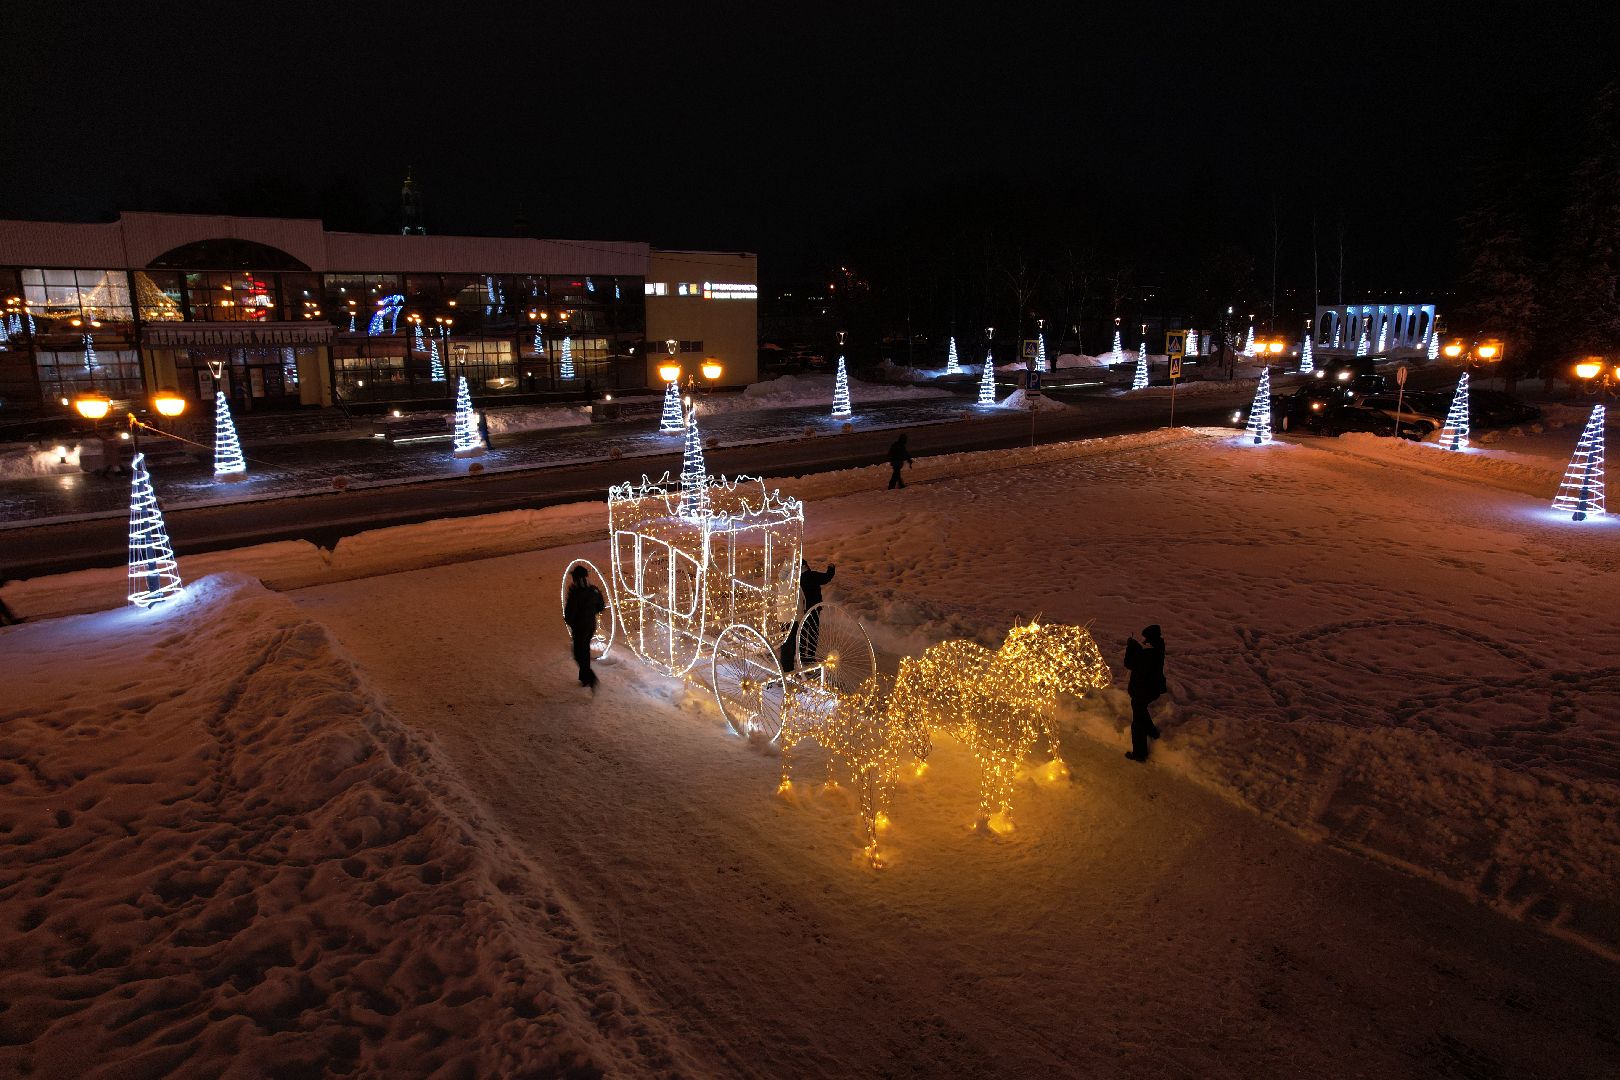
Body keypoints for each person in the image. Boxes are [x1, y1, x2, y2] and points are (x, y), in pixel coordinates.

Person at [1123, 624, 1167, 762]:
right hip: (1151, 689)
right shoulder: (1159, 648)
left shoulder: (1148, 654)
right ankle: (1153, 732)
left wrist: (1130, 648)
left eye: (1146, 638)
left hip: (1143, 690)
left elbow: (1129, 663)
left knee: (1137, 723)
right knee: (1140, 709)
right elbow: (1142, 657)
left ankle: (1140, 754)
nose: (1145, 641)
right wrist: (1136, 648)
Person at [563, 565, 606, 690]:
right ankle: (584, 678)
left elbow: (569, 613)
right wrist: (591, 612)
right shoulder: (593, 590)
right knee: (584, 650)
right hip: (590, 625)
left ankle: (590, 677)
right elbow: (601, 606)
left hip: (579, 627)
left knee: (578, 653)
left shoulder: (575, 593)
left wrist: (571, 621)